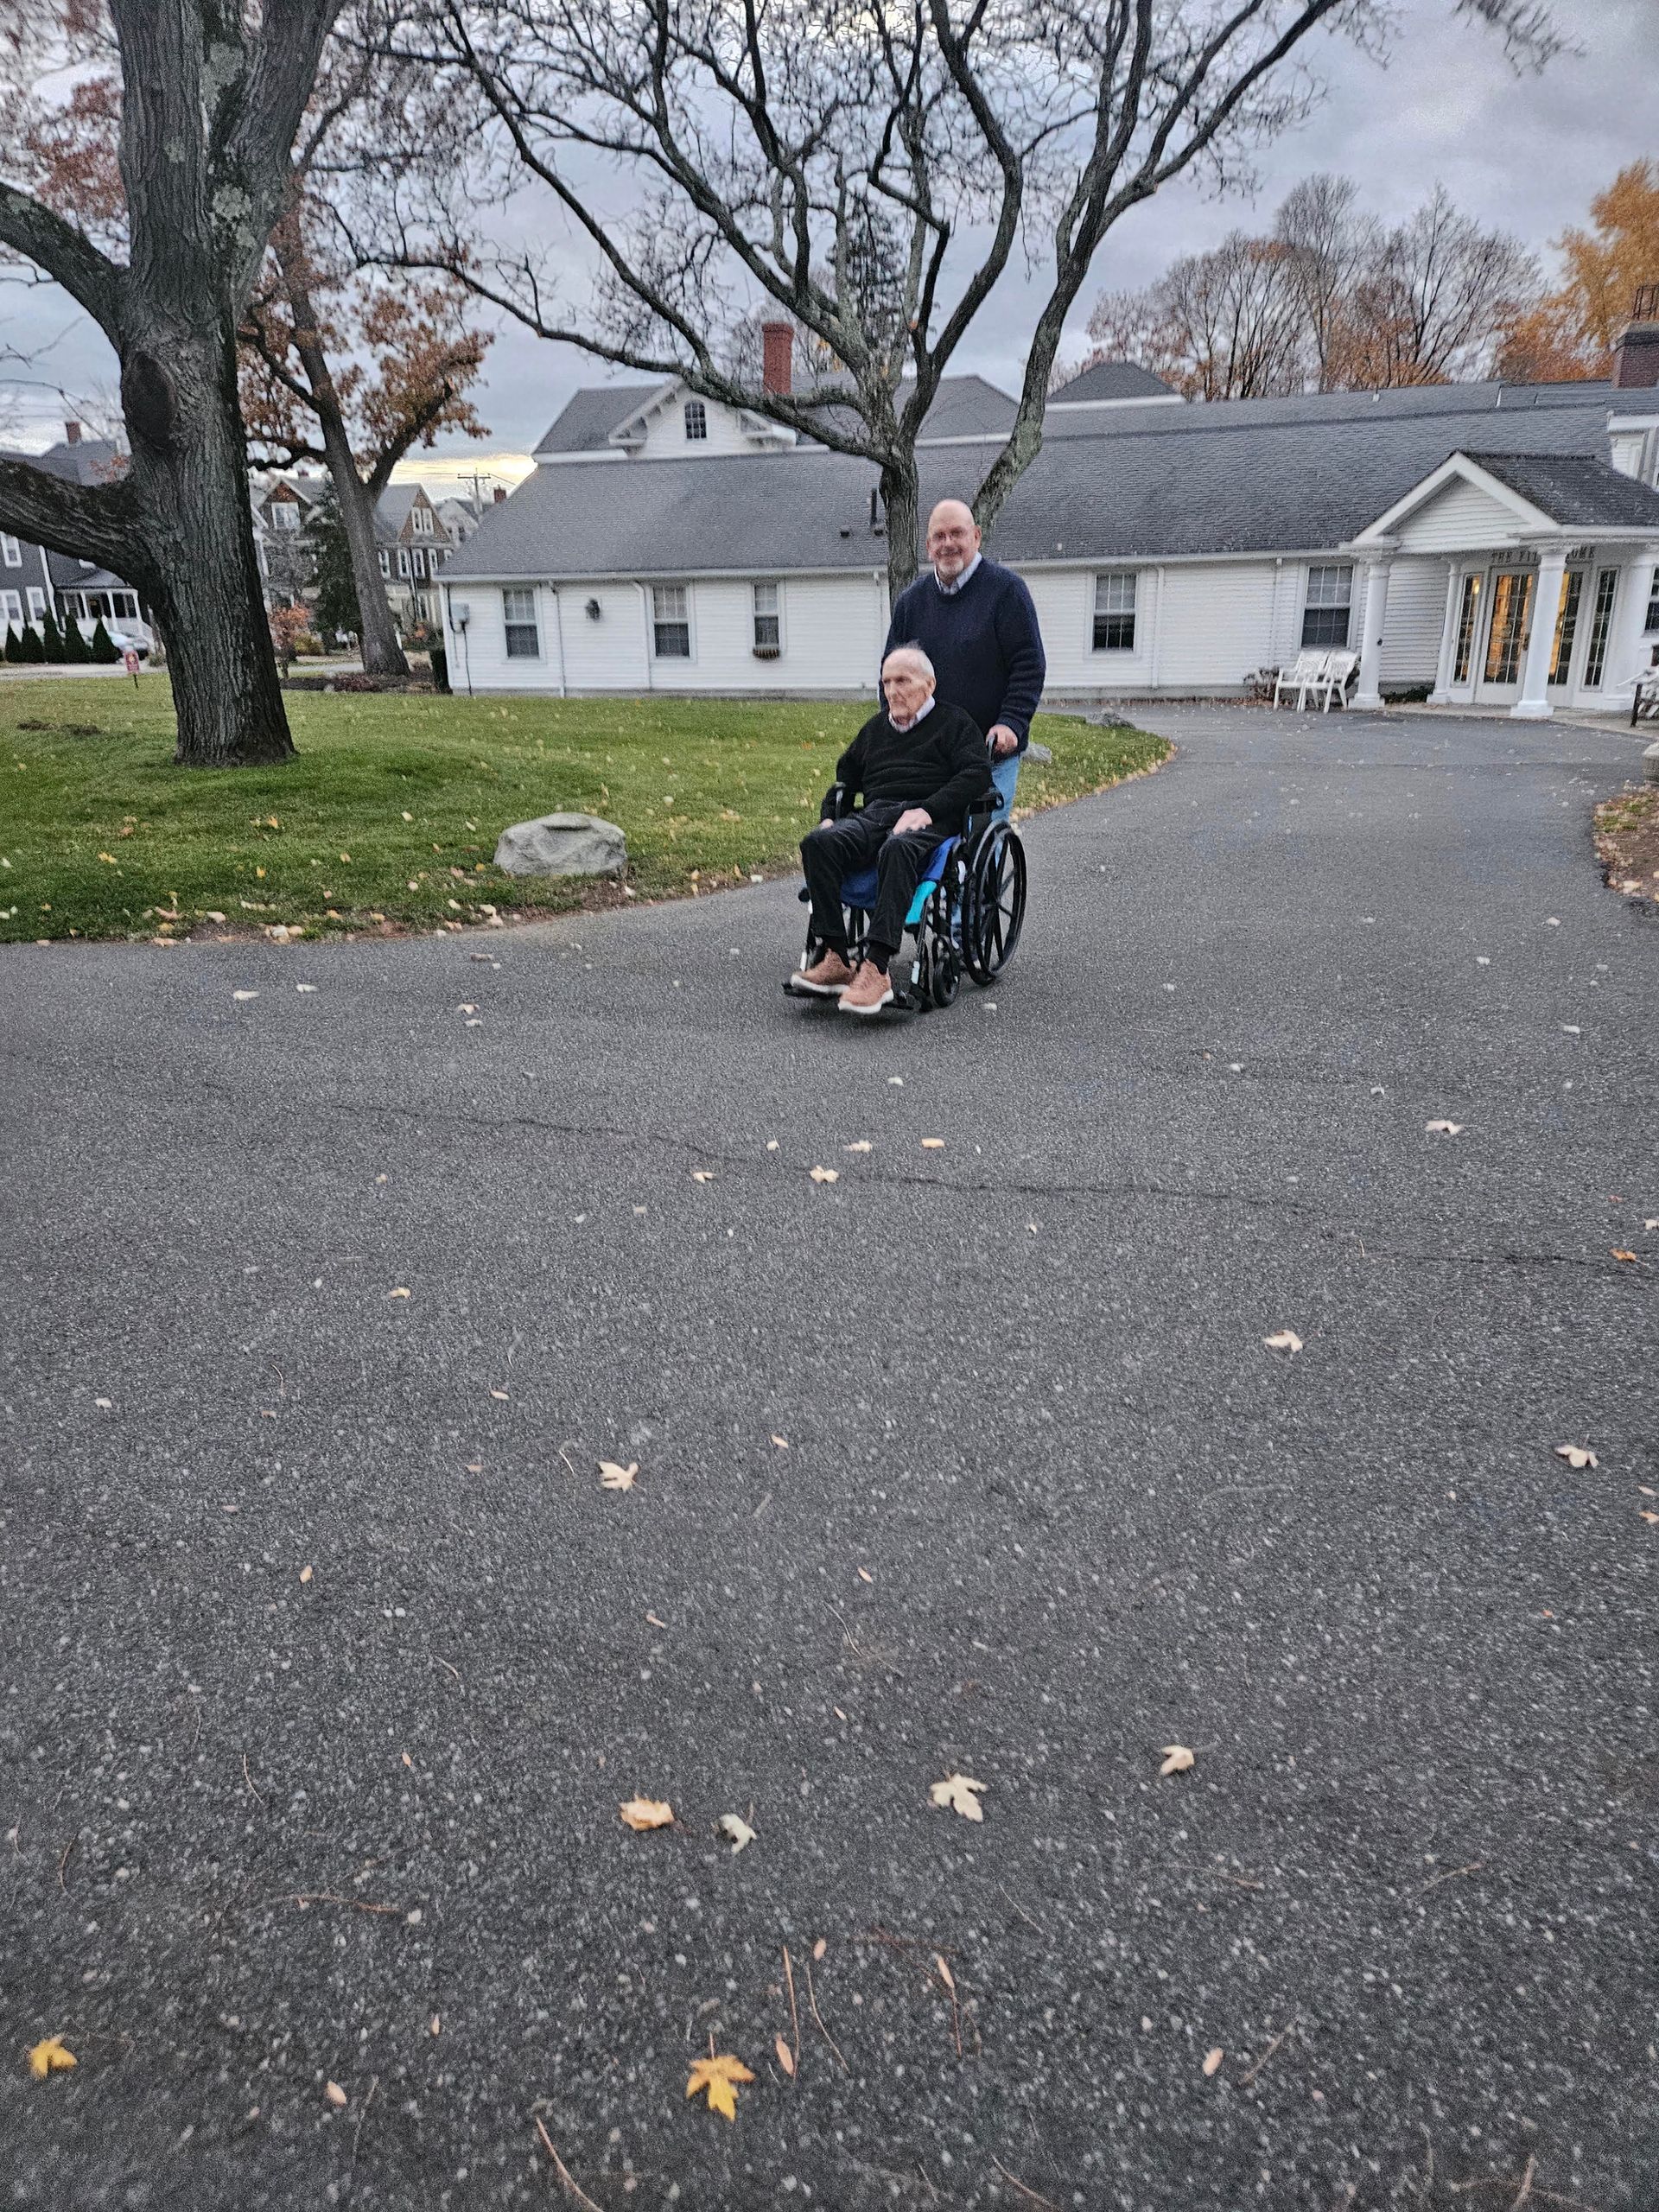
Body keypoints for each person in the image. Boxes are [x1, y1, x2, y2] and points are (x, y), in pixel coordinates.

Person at [791, 645, 990, 1017]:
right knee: (818, 843)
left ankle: (877, 967)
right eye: (886, 682)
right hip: (876, 814)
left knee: (897, 848)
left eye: (903, 680)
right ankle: (836, 955)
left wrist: (928, 809)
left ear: (929, 685)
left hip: (930, 820)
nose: (892, 691)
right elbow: (844, 779)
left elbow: (976, 775)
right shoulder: (874, 729)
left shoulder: (954, 723)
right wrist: (831, 816)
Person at [883, 499, 1046, 759]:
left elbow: (1028, 666)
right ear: (928, 547)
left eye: (957, 533)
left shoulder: (1007, 592)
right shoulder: (910, 603)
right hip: (929, 755)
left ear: (976, 537)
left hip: (990, 755)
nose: (948, 543)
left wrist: (1011, 722)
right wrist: (895, 730)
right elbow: (891, 674)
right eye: (939, 536)